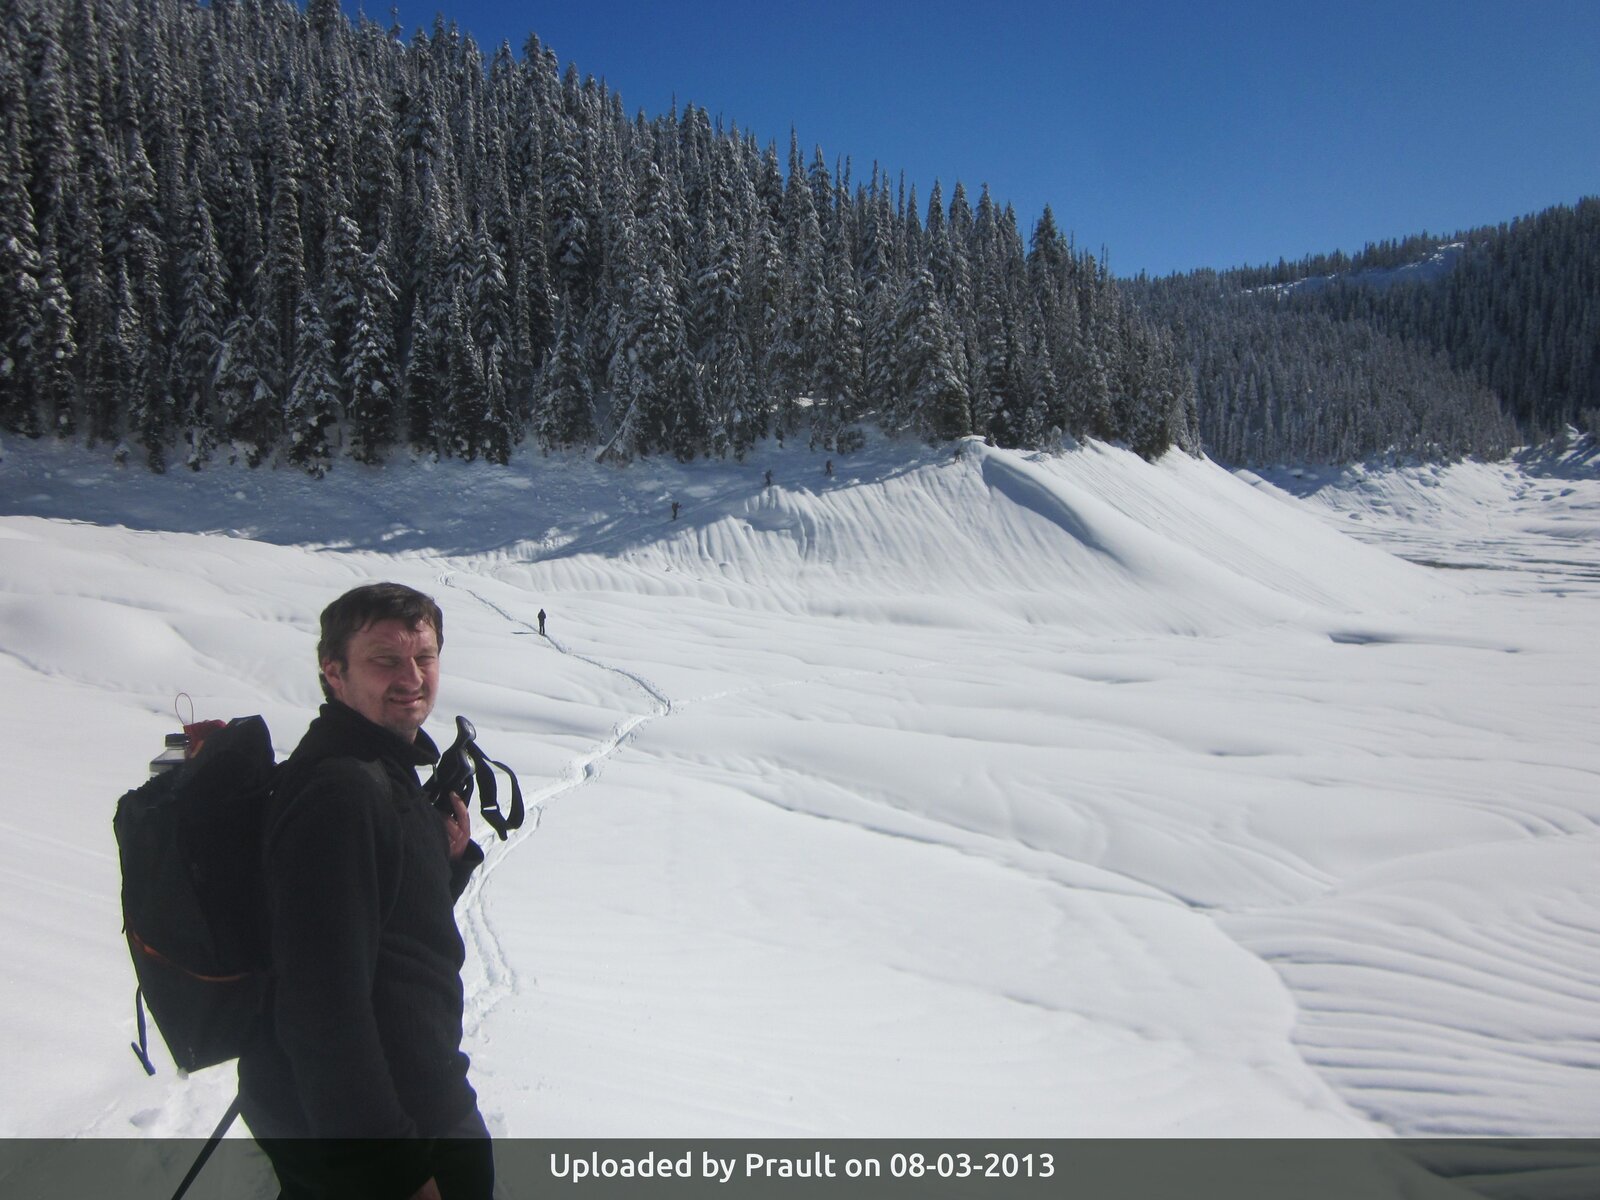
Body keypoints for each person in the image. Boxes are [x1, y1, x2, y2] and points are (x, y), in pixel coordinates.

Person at [238, 582, 493, 1200]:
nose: (412, 677)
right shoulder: (343, 793)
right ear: (335, 673)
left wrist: (440, 864)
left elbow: (378, 926)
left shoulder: (375, 770)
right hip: (392, 1127)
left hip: (394, 1106)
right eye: (385, 660)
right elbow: (322, 1006)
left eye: (424, 656)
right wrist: (391, 1172)